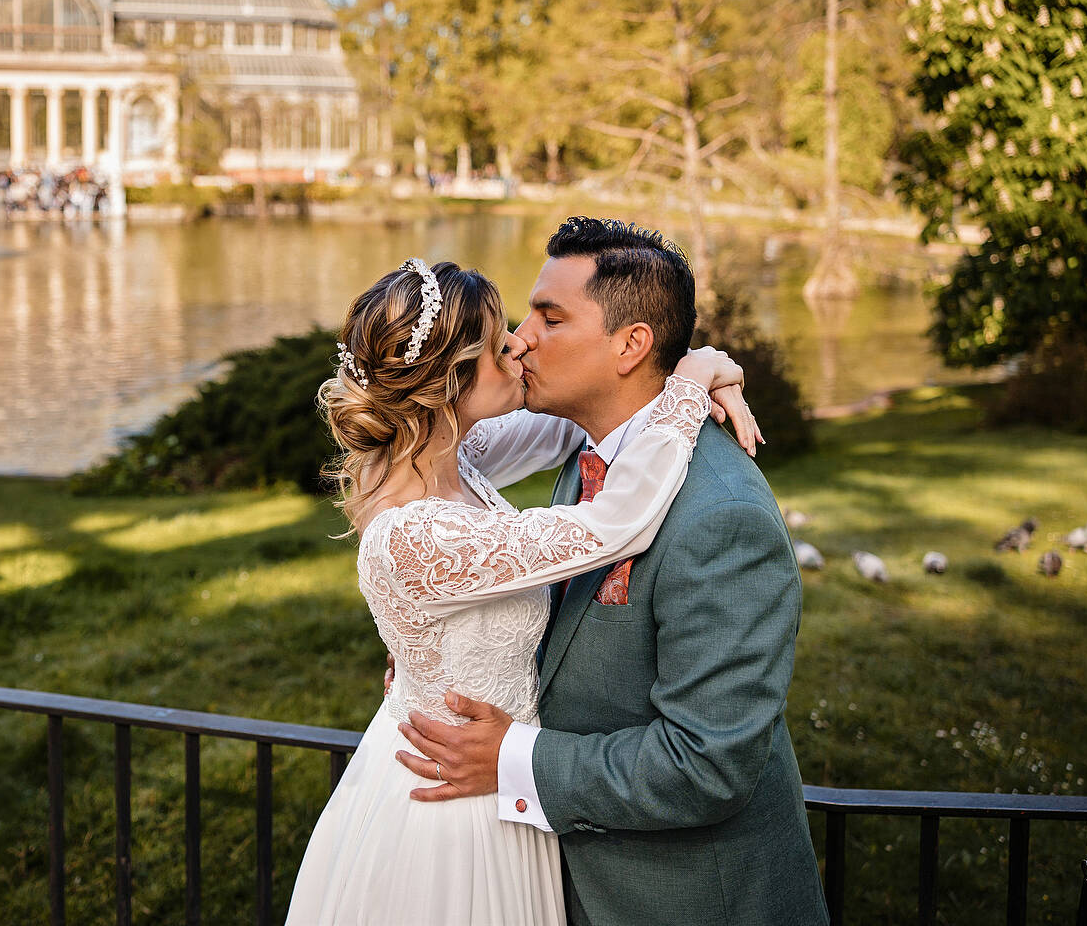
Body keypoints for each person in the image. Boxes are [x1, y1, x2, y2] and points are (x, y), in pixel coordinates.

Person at [286, 245, 752, 925]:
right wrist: (695, 378)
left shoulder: (446, 455)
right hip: (451, 806)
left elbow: (572, 415)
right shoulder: (416, 534)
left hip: (492, 779)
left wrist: (690, 365)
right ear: (450, 382)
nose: (518, 344)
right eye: (497, 339)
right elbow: (616, 522)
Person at [394, 218, 828, 925]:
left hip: (683, 902)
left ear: (630, 345)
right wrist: (439, 657)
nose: (518, 337)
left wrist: (514, 759)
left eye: (550, 316)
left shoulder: (723, 518)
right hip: (561, 882)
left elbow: (705, 763)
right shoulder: (589, 450)